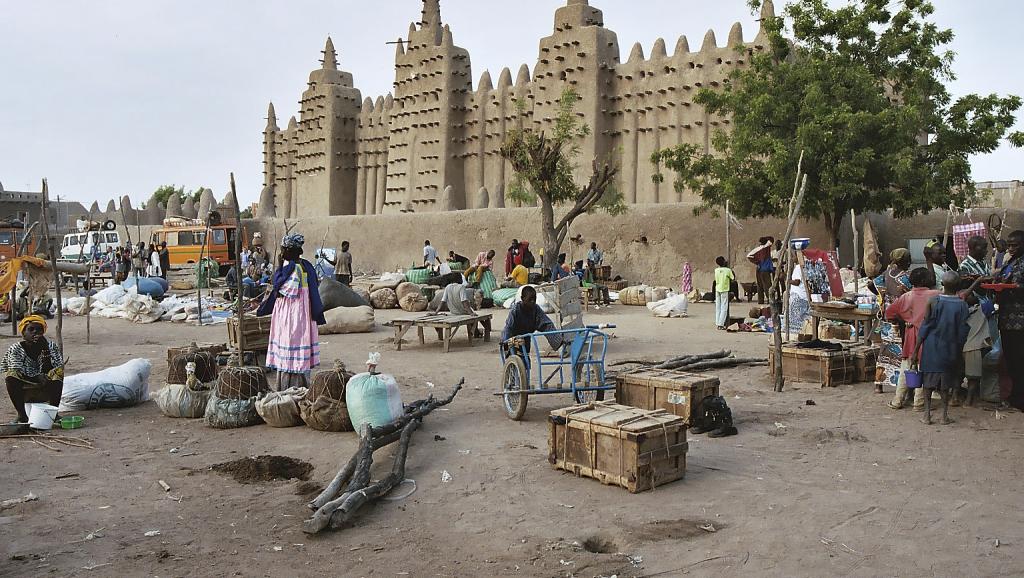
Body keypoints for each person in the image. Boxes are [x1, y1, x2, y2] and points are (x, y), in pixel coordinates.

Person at [256, 234, 327, 390]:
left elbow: (283, 290)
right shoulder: (306, 265)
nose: (281, 252)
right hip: (301, 312)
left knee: (291, 346)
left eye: (282, 250)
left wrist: (280, 269)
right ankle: (300, 384)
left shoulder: (293, 269)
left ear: (289, 250)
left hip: (293, 313)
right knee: (297, 345)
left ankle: (291, 388)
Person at [914, 271, 970, 425]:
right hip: (951, 348)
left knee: (928, 383)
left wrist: (915, 350)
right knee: (945, 385)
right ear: (958, 286)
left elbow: (925, 326)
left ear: (942, 284)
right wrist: (959, 349)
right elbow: (963, 331)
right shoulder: (962, 305)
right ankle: (944, 416)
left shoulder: (933, 301)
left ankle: (927, 416)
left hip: (931, 347)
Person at [885, 267, 939, 410]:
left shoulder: (906, 297)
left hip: (910, 336)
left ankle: (897, 400)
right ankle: (919, 402)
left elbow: (889, 313)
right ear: (924, 280)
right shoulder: (935, 294)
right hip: (928, 336)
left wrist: (904, 320)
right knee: (924, 369)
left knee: (906, 368)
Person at [1, 315, 64, 424]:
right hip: (24, 381)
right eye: (31, 329)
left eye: (39, 329)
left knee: (57, 373)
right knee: (11, 376)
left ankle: (53, 413)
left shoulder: (50, 346)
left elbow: (55, 367)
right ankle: (22, 416)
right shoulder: (15, 348)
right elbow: (16, 369)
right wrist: (36, 376)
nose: (35, 332)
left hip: (46, 381)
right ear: (23, 333)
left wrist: (46, 351)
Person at [957, 236, 994, 406]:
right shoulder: (965, 267)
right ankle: (968, 396)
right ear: (973, 247)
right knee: (973, 351)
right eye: (983, 248)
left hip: (985, 311)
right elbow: (967, 293)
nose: (986, 251)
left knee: (983, 349)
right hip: (973, 314)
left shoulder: (983, 264)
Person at [873, 248, 914, 393]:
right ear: (901, 260)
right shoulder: (906, 277)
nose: (910, 261)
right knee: (902, 349)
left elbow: (872, 284)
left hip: (887, 315)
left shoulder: (887, 272)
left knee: (885, 348)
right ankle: (902, 384)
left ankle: (879, 383)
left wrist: (884, 297)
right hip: (901, 317)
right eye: (908, 259)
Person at [996, 230, 1024, 409]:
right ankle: (1015, 396)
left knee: (1019, 360)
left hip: (1019, 320)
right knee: (1012, 360)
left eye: (1016, 245)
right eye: (1010, 245)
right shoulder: (1010, 261)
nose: (1011, 248)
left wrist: (1011, 288)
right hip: (1007, 319)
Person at [501, 285, 561, 354]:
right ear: (522, 298)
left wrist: (558, 340)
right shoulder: (515, 310)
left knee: (526, 358)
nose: (532, 302)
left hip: (526, 337)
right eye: (530, 300)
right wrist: (506, 345)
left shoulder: (536, 309)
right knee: (515, 356)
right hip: (513, 338)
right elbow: (509, 328)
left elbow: (546, 324)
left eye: (534, 299)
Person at [748, 237, 775, 305]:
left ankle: (760, 300)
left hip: (759, 269)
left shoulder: (757, 249)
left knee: (760, 285)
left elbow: (749, 256)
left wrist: (757, 262)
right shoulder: (766, 247)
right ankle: (770, 299)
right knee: (767, 285)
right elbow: (771, 239)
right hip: (765, 269)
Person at [713, 256, 734, 330]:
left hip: (717, 289)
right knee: (724, 307)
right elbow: (733, 278)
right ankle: (721, 324)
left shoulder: (716, 270)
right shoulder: (728, 270)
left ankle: (717, 322)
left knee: (718, 307)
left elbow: (716, 279)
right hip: (724, 289)